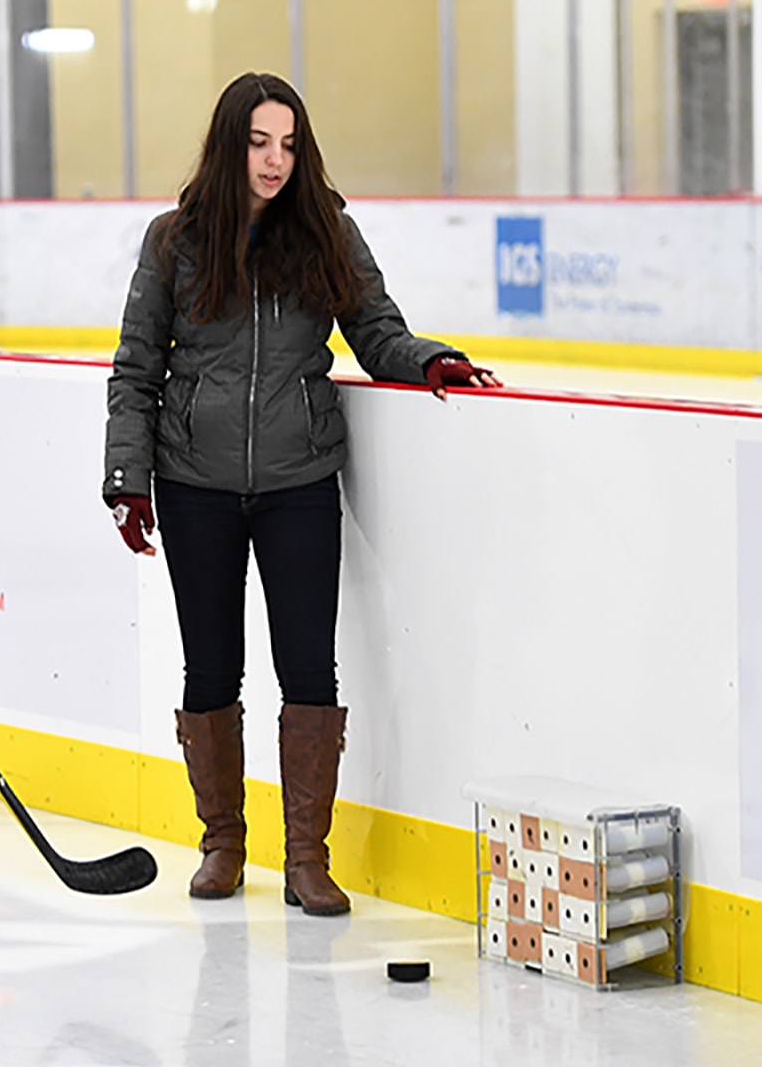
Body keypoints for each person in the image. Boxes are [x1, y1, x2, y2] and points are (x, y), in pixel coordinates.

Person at [102, 73, 500, 916]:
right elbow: (136, 368)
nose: (275, 160)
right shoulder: (174, 240)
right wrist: (126, 477)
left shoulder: (328, 231)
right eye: (258, 143)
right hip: (191, 482)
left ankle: (306, 860)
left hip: (299, 479)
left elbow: (376, 331)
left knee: (308, 668)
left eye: (287, 144)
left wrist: (428, 359)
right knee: (210, 666)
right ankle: (222, 845)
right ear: (229, 144)